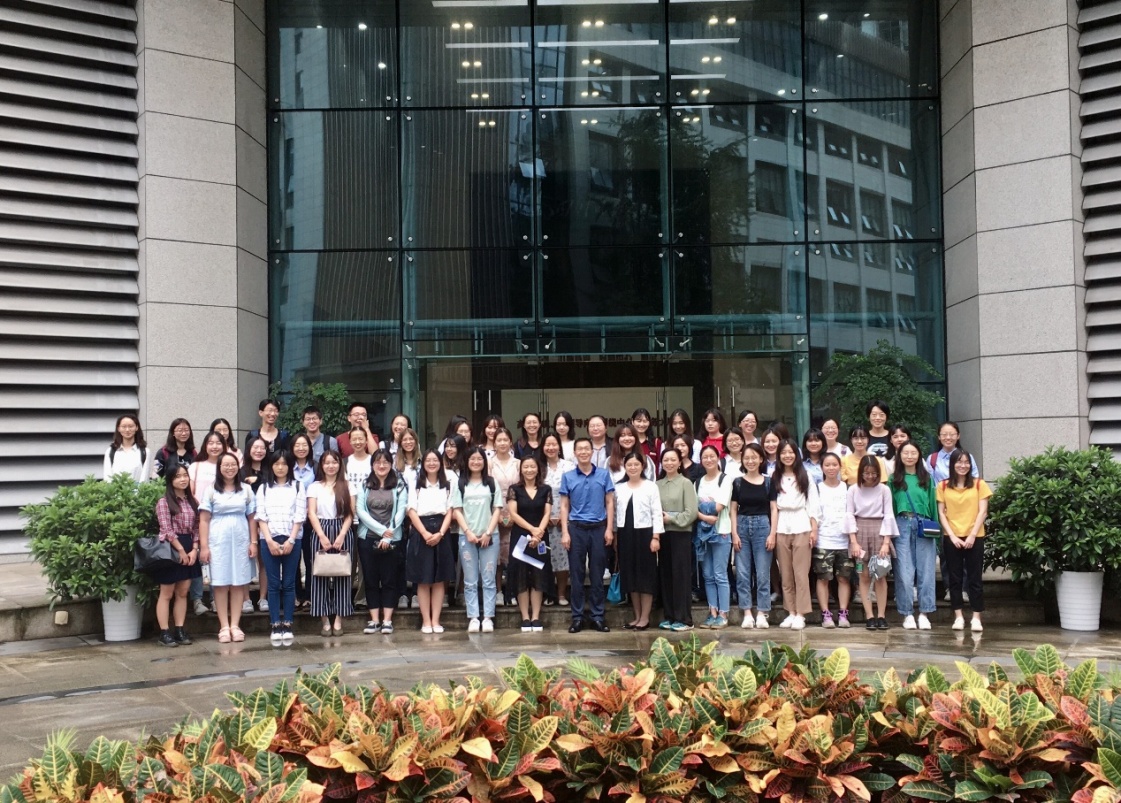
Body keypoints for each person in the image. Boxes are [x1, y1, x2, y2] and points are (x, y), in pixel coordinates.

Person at [558, 437, 615, 633]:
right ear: (574, 453)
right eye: (579, 449)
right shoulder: (568, 477)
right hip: (576, 529)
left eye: (586, 449)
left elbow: (609, 502)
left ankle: (598, 616)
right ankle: (577, 617)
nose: (583, 452)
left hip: (599, 528)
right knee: (577, 575)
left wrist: (609, 528)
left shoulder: (603, 475)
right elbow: (564, 505)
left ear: (592, 452)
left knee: (598, 575)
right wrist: (565, 532)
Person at [199, 453, 257, 643]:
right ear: (219, 467)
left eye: (233, 464)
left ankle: (235, 625)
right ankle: (224, 626)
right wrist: (204, 546)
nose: (230, 468)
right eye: (226, 465)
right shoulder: (211, 491)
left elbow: (252, 518)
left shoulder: (246, 490)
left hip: (241, 540)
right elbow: (204, 520)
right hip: (218, 541)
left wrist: (253, 542)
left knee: (239, 583)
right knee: (221, 583)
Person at [254, 451, 306, 646]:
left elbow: (300, 515)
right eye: (276, 464)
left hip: (293, 538)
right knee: (274, 583)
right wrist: (269, 540)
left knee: (290, 583)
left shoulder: (298, 486)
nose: (280, 467)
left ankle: (288, 623)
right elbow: (261, 516)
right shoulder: (263, 488)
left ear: (290, 466)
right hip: (269, 538)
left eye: (284, 464)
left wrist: (291, 539)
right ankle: (275, 623)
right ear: (271, 466)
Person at [937, 448, 991, 632]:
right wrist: (952, 535)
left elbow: (983, 512)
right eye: (959, 462)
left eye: (966, 462)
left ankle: (976, 617)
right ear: (952, 464)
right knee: (955, 578)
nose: (963, 465)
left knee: (975, 578)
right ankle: (958, 616)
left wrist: (972, 535)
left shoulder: (979, 484)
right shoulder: (943, 485)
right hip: (951, 537)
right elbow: (941, 513)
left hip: (975, 536)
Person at [355, 449, 407, 635]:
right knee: (370, 580)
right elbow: (360, 511)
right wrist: (380, 531)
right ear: (372, 465)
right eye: (378, 462)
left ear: (391, 464)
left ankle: (387, 620)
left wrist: (388, 535)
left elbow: (401, 510)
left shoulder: (399, 485)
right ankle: (374, 620)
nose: (382, 465)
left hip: (392, 539)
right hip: (367, 538)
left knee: (389, 580)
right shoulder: (365, 484)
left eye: (385, 462)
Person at [452, 446, 504, 633]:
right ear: (466, 462)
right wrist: (468, 532)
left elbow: (497, 509)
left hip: (490, 536)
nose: (476, 462)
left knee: (489, 578)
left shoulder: (491, 483)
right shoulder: (460, 484)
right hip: (467, 537)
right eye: (472, 459)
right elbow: (457, 510)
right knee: (470, 579)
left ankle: (488, 617)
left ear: (484, 461)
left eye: (479, 459)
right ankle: (473, 617)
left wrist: (488, 532)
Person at [846, 455, 899, 630]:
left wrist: (886, 542)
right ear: (861, 472)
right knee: (863, 575)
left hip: (879, 531)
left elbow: (889, 514)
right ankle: (869, 615)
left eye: (873, 473)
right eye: (866, 473)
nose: (870, 476)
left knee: (880, 575)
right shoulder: (853, 490)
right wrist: (853, 542)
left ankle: (881, 615)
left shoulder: (884, 489)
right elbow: (849, 514)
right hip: (860, 531)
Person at [612, 451, 664, 630]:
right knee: (630, 575)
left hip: (645, 534)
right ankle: (636, 616)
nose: (633, 467)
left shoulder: (651, 486)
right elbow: (615, 513)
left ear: (642, 466)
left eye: (636, 464)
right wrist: (615, 535)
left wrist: (656, 536)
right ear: (624, 467)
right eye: (629, 465)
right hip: (625, 534)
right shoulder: (619, 487)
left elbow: (657, 512)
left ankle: (645, 617)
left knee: (645, 576)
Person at [152, 462, 202, 647]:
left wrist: (194, 549)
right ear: (170, 480)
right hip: (171, 548)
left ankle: (180, 629)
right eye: (178, 476)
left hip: (189, 546)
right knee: (166, 592)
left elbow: (197, 527)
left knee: (183, 592)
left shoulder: (193, 501)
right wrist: (181, 550)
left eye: (185, 475)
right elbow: (166, 529)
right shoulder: (164, 502)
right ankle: (164, 632)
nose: (183, 479)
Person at [772, 439, 820, 630]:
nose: (787, 456)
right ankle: (790, 611)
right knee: (785, 573)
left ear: (797, 454)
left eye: (791, 452)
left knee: (801, 573)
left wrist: (814, 529)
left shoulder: (805, 475)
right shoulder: (775, 476)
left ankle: (801, 613)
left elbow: (813, 503)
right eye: (783, 452)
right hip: (781, 526)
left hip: (802, 525)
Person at [891, 440, 938, 630]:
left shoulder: (927, 478)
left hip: (924, 524)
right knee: (904, 571)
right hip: (901, 524)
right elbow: (890, 508)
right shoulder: (894, 479)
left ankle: (925, 612)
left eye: (913, 453)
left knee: (926, 571)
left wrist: (937, 532)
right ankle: (907, 613)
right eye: (905, 453)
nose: (909, 456)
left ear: (919, 456)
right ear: (899, 456)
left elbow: (933, 505)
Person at [406, 450, 455, 633]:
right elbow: (411, 510)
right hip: (421, 529)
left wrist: (440, 533)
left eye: (435, 460)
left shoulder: (447, 484)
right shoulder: (416, 484)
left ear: (440, 463)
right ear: (423, 463)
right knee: (423, 578)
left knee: (439, 579)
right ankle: (426, 621)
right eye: (428, 460)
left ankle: (436, 620)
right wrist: (425, 533)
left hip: (442, 530)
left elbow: (450, 510)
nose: (432, 463)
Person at [307, 450, 354, 636]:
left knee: (343, 574)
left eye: (334, 462)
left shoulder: (348, 485)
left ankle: (339, 619)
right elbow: (311, 512)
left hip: (342, 529)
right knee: (320, 574)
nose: (330, 466)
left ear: (339, 464)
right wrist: (321, 535)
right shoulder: (314, 487)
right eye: (327, 463)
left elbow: (350, 514)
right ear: (322, 465)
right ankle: (324, 618)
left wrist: (342, 534)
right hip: (321, 529)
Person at [731, 443, 776, 630]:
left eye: (754, 457)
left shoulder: (768, 482)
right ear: (742, 460)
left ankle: (762, 613)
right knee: (742, 573)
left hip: (763, 526)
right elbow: (733, 509)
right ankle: (747, 613)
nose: (750, 461)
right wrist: (734, 533)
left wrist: (772, 533)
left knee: (763, 573)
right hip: (742, 526)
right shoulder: (737, 482)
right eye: (747, 458)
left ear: (761, 459)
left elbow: (774, 508)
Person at [507, 454, 554, 631]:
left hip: (540, 537)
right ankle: (525, 617)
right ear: (521, 470)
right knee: (521, 575)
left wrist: (538, 532)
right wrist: (532, 530)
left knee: (538, 574)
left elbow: (547, 513)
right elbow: (513, 514)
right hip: (520, 536)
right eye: (525, 467)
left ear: (538, 469)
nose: (529, 470)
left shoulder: (545, 489)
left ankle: (535, 616)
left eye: (532, 466)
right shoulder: (514, 489)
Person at [655, 448, 698, 631]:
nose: (669, 463)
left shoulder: (686, 483)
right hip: (663, 534)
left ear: (680, 462)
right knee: (666, 575)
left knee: (681, 575)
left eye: (673, 460)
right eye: (666, 460)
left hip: (681, 533)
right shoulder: (657, 484)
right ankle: (670, 615)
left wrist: (671, 518)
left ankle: (684, 619)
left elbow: (691, 512)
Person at [187, 430, 226, 615]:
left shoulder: (226, 465)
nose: (214, 446)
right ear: (205, 445)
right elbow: (190, 492)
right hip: (199, 517)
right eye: (211, 443)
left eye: (218, 443)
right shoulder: (196, 466)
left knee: (216, 558)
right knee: (198, 557)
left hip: (220, 518)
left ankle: (214, 599)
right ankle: (197, 599)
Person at [695, 444, 733, 629]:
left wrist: (702, 509)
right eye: (705, 457)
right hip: (703, 534)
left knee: (720, 574)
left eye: (712, 456)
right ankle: (712, 612)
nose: (708, 460)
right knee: (708, 575)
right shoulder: (698, 482)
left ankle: (724, 614)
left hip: (721, 531)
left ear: (718, 458)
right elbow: (693, 509)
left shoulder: (725, 479)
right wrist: (705, 515)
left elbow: (719, 506)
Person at [813, 452, 853, 628]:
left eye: (834, 464)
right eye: (827, 465)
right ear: (822, 467)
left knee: (844, 578)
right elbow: (814, 513)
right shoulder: (817, 488)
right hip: (824, 540)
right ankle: (826, 614)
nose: (831, 468)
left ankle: (843, 613)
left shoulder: (847, 488)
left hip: (844, 540)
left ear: (840, 467)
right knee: (823, 578)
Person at [489, 427, 521, 605]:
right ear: (494, 443)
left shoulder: (518, 464)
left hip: (515, 512)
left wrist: (513, 515)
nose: (502, 443)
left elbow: (521, 490)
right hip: (494, 512)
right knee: (497, 556)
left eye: (505, 440)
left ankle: (513, 591)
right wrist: (498, 515)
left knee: (514, 554)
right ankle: (498, 591)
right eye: (499, 440)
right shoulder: (489, 464)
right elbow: (487, 491)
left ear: (510, 442)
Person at [541, 432, 573, 606]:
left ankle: (561, 594)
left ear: (559, 447)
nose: (551, 448)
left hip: (564, 519)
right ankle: (547, 593)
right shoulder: (538, 467)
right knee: (545, 556)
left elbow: (574, 493)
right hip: (542, 520)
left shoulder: (569, 466)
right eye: (547, 444)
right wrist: (544, 518)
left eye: (554, 444)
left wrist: (563, 517)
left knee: (562, 557)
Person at [241, 435, 271, 614]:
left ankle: (263, 597)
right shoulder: (241, 471)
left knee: (264, 562)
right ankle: (246, 599)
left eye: (262, 448)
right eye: (255, 447)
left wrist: (258, 480)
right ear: (249, 450)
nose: (259, 451)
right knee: (245, 561)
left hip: (267, 522)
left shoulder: (271, 470)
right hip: (245, 522)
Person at [289, 433, 317, 610]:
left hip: (312, 520)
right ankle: (296, 595)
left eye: (304, 445)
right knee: (293, 559)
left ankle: (310, 595)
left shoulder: (316, 467)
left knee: (310, 558)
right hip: (291, 521)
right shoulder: (286, 467)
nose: (301, 448)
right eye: (297, 445)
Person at [103, 414, 152, 481]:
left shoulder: (145, 452)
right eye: (124, 426)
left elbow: (144, 479)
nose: (127, 430)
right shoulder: (111, 451)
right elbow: (107, 477)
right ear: (118, 428)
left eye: (131, 426)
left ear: (136, 427)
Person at [345, 428, 373, 508]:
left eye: (360, 439)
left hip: (369, 505)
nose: (357, 442)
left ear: (366, 440)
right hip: (350, 505)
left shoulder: (373, 461)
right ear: (350, 442)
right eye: (354, 439)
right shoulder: (345, 462)